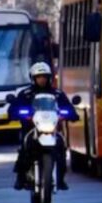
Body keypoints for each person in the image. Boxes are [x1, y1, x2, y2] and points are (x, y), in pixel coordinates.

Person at [8, 62, 78, 191]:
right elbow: (13, 109)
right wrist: (20, 114)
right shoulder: (26, 93)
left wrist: (69, 114)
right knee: (25, 148)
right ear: (33, 78)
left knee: (61, 147)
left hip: (51, 129)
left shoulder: (57, 93)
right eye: (39, 77)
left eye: (45, 76)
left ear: (49, 77)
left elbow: (69, 108)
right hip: (31, 129)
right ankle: (20, 177)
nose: (42, 79)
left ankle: (60, 179)